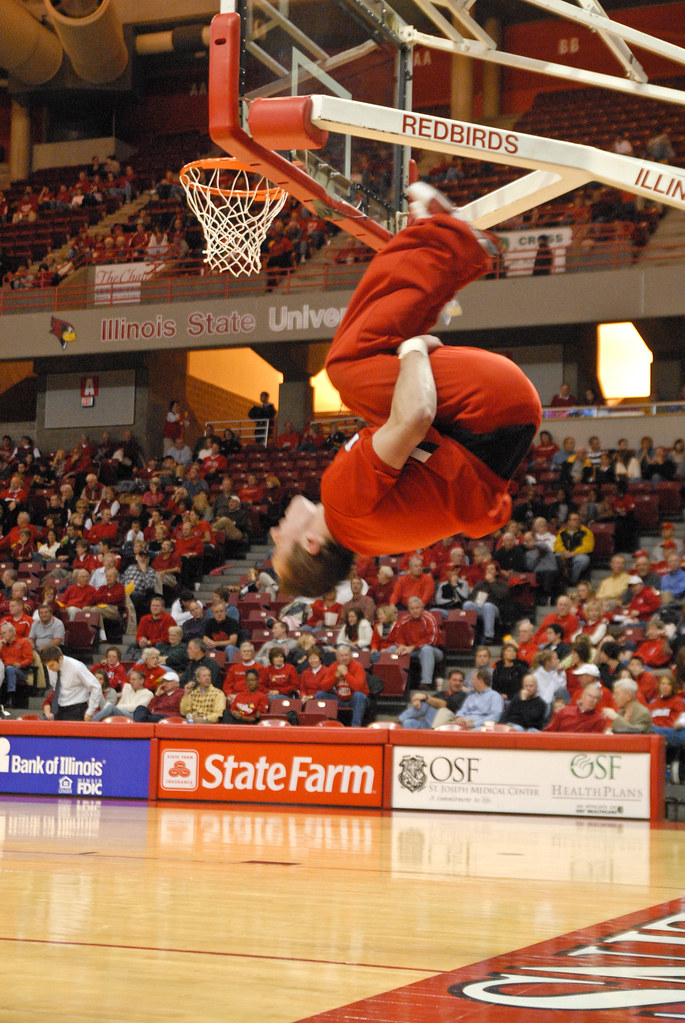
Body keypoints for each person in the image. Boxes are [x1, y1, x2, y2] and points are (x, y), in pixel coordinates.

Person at [269, 183, 541, 596]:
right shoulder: (340, 503)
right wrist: (414, 349)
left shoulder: (369, 539)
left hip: (501, 427)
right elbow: (415, 416)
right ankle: (448, 240)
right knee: (347, 368)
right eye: (279, 546)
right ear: (310, 543)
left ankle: (447, 246)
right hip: (486, 404)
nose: (274, 533)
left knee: (367, 382)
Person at [389, 596, 443, 689]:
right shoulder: (404, 620)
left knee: (426, 649)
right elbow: (398, 637)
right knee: (392, 649)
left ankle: (426, 683)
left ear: (422, 608)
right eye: (412, 609)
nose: (415, 611)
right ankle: (395, 682)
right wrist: (401, 646)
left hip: (433, 650)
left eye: (417, 608)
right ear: (408, 610)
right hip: (410, 650)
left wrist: (413, 647)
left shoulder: (429, 618)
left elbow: (431, 640)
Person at [40, 644, 102, 721]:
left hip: (77, 709)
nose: (49, 668)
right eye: (47, 666)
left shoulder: (77, 667)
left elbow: (96, 686)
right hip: (59, 709)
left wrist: (90, 710)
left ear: (60, 659)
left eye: (52, 665)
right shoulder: (50, 666)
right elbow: (56, 688)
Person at [314, 644, 369, 726]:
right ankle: (325, 725)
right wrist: (336, 675)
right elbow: (324, 687)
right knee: (320, 694)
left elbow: (358, 688)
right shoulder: (333, 666)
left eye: (346, 655)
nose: (344, 658)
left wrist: (345, 673)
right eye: (341, 656)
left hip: (355, 699)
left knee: (359, 696)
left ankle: (355, 727)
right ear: (337, 657)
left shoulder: (358, 666)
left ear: (351, 656)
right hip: (339, 698)